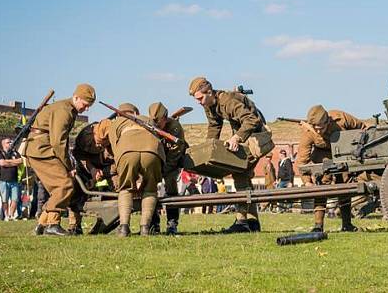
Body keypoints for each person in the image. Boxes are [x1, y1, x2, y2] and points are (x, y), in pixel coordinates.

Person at [189, 76, 272, 233]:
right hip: (244, 135)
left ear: (209, 92)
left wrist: (236, 137)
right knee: (244, 176)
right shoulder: (209, 105)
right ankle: (253, 223)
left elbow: (252, 120)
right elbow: (214, 126)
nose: (198, 102)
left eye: (200, 98)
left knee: (239, 173)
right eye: (196, 99)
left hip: (256, 135)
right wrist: (208, 152)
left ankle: (242, 222)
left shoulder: (227, 101)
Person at [24, 83, 96, 236]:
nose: (86, 108)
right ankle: (52, 224)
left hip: (40, 148)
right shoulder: (64, 110)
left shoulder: (66, 108)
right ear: (76, 97)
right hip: (42, 150)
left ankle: (42, 225)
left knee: (60, 186)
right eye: (85, 104)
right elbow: (58, 142)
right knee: (65, 185)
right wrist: (69, 166)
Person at [296, 105, 366, 232]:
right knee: (322, 186)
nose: (318, 132)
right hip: (322, 156)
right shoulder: (308, 132)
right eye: (315, 129)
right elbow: (302, 160)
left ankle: (347, 224)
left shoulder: (341, 118)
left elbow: (363, 127)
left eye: (321, 128)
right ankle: (318, 225)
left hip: (344, 153)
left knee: (345, 187)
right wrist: (306, 181)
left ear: (327, 121)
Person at [99, 109, 165, 237]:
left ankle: (124, 228)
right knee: (150, 190)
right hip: (152, 151)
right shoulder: (147, 119)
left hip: (127, 152)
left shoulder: (117, 122)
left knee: (125, 188)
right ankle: (145, 228)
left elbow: (114, 147)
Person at [147, 102, 186, 235]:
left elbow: (176, 154)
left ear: (165, 118)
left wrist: (164, 170)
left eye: (159, 122)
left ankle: (172, 224)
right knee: (150, 190)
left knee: (171, 188)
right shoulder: (149, 126)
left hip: (171, 164)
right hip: (156, 162)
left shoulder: (175, 128)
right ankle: (153, 224)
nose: (156, 125)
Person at [0, 139, 22, 221]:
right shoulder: (0, 153)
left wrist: (8, 162)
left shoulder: (15, 152)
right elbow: (2, 163)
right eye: (8, 142)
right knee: (5, 199)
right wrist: (14, 162)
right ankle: (6, 216)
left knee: (15, 199)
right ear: (3, 144)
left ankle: (11, 215)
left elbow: (21, 161)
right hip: (3, 180)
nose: (11, 143)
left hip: (14, 180)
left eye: (11, 142)